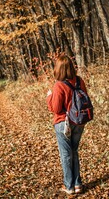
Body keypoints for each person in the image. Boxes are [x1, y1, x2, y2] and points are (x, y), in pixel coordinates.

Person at [46, 54, 87, 195]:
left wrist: (49, 96)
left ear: (58, 68)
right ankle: (78, 184)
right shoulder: (79, 81)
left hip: (63, 123)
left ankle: (69, 186)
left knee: (66, 155)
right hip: (79, 122)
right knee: (74, 152)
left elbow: (55, 109)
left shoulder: (58, 85)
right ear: (71, 66)